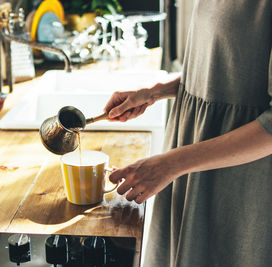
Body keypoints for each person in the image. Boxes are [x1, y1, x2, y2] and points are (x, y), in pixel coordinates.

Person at [103, 1, 272, 266]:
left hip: (238, 189)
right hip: (190, 163)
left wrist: (172, 163)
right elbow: (224, 65)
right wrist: (155, 92)